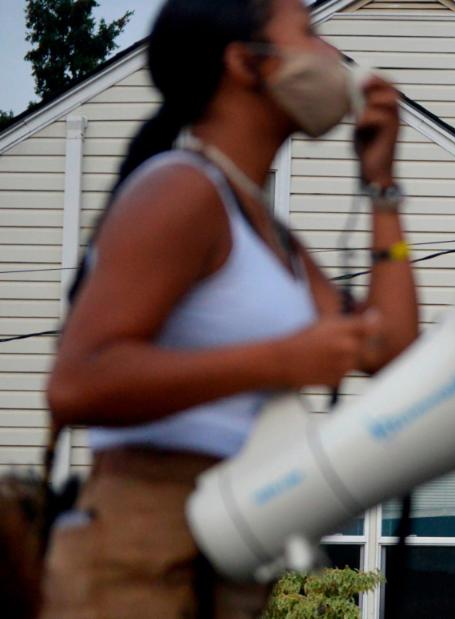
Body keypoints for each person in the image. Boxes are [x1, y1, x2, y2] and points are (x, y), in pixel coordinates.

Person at [40, 0, 418, 616]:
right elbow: (77, 383)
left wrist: (382, 188)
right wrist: (282, 359)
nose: (331, 57)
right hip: (140, 546)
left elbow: (388, 349)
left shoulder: (266, 230)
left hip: (225, 545)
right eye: (309, 33)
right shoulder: (180, 190)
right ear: (247, 63)